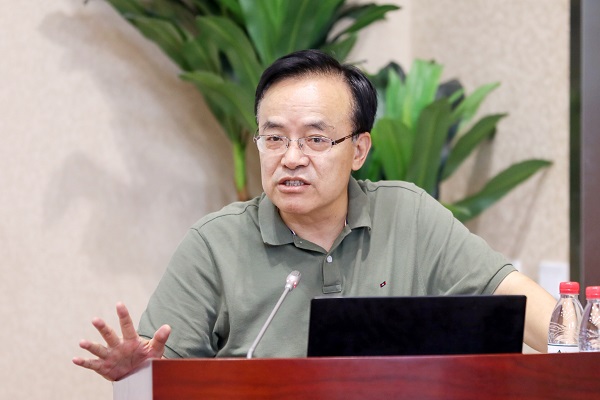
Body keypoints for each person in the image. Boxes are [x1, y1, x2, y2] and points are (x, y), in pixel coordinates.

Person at [73, 49, 556, 381]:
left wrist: (580, 338)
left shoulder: (407, 214)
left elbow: (524, 306)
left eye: (316, 139)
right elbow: (165, 374)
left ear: (359, 149)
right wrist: (141, 375)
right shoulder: (213, 243)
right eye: (274, 137)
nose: (291, 157)